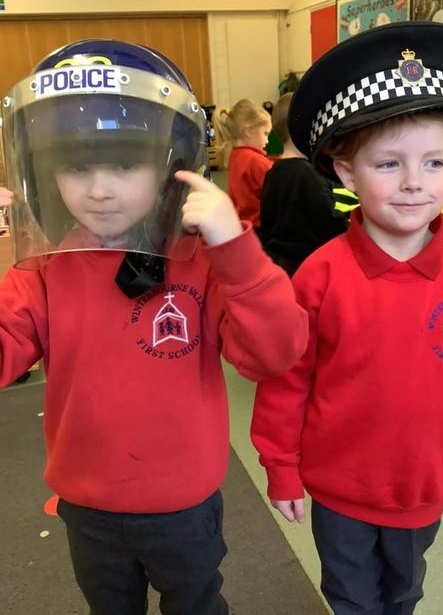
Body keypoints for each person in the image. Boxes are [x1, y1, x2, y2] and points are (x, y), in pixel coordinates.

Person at [0, 39, 308, 615]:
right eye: (75, 167)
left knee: (195, 603)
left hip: (182, 503)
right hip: (88, 505)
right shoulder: (44, 271)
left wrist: (237, 253)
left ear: (170, 164)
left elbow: (275, 353)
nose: (98, 190)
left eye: (125, 164)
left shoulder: (204, 261)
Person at [251, 22, 443, 615]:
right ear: (346, 172)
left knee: (404, 592)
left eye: (435, 162)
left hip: (425, 488)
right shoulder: (319, 275)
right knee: (350, 598)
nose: (415, 183)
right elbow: (288, 379)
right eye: (388, 163)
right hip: (339, 488)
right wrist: (281, 466)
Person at [260, 92, 349, 276]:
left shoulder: (273, 172)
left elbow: (267, 223)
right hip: (308, 264)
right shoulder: (305, 173)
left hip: (280, 264)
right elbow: (330, 222)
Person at [216, 99, 273, 233]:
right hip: (261, 227)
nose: (267, 140)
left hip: (242, 226)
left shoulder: (235, 156)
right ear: (249, 131)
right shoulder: (256, 161)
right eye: (265, 134)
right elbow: (277, 188)